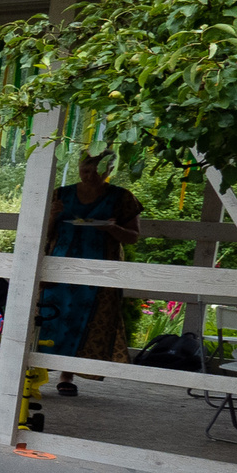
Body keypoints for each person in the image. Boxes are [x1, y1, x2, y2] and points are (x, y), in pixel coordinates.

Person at [36, 152, 144, 395]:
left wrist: (112, 228)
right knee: (50, 316)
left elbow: (133, 237)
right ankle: (37, 371)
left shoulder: (121, 198)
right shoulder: (61, 194)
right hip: (59, 265)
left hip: (100, 268)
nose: (90, 176)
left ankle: (67, 374)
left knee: (85, 319)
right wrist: (51, 217)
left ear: (108, 171)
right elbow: (42, 233)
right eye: (85, 171)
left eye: (96, 172)